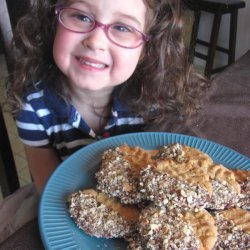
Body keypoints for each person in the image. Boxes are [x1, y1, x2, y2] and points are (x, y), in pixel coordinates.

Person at [5, 0, 210, 193]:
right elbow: (51, 196)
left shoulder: (157, 102)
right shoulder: (33, 108)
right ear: (53, 21)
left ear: (147, 49)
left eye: (122, 28)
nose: (95, 41)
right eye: (81, 17)